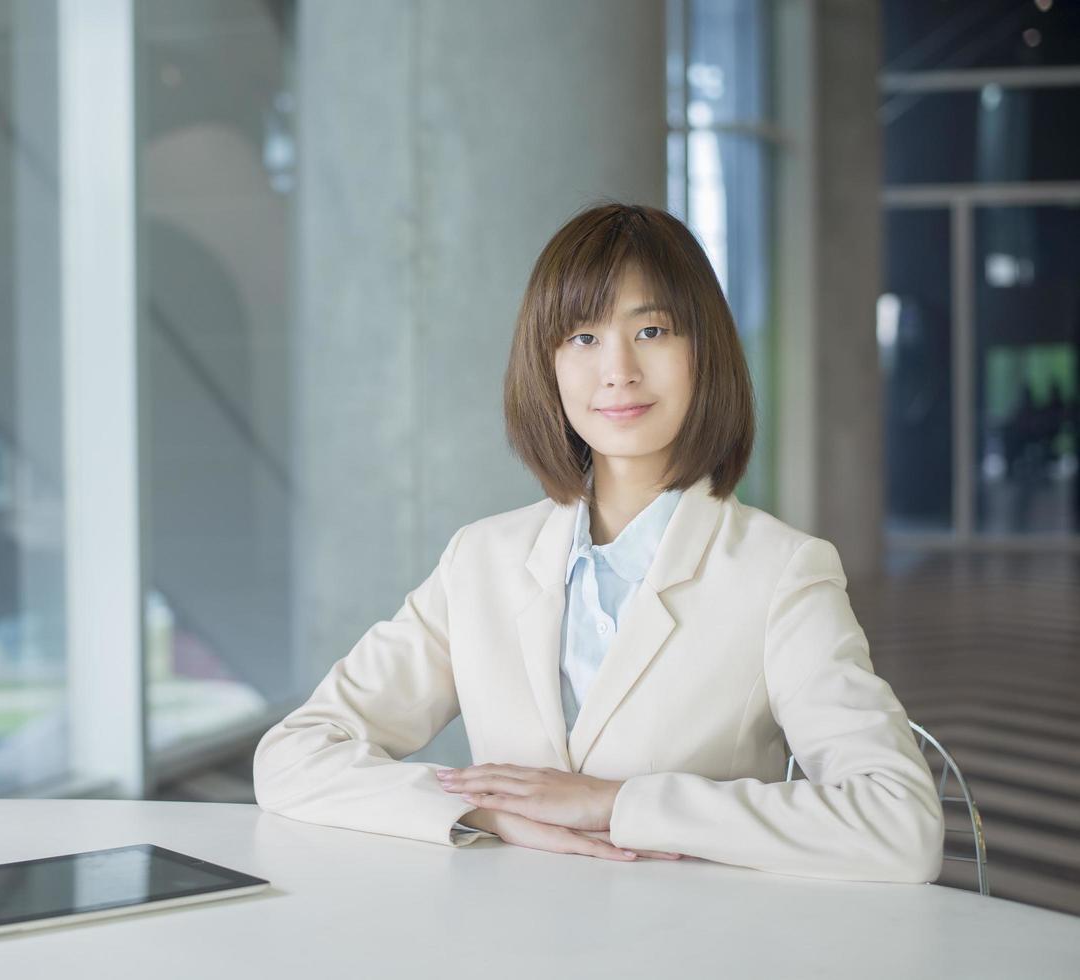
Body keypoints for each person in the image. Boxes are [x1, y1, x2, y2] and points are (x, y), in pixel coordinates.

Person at [252, 202, 944, 883]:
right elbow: (293, 754)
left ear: (706, 351)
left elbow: (899, 824)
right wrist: (483, 814)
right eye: (582, 338)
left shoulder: (780, 572)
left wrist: (616, 804)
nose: (617, 370)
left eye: (651, 331)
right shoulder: (482, 560)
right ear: (546, 363)